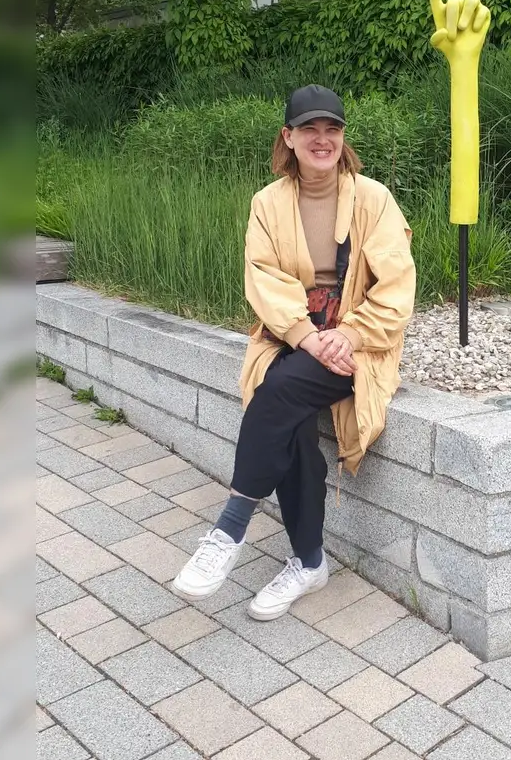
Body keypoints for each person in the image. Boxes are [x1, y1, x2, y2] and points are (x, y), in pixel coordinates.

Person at [172, 84, 416, 620]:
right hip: (292, 334)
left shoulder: (372, 198)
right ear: (289, 137)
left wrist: (346, 336)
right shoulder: (267, 203)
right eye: (309, 129)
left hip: (359, 340)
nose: (322, 139)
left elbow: (396, 284)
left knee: (277, 390)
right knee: (293, 419)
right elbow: (263, 277)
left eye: (332, 129)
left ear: (343, 137)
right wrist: (307, 337)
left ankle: (230, 526)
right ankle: (309, 562)